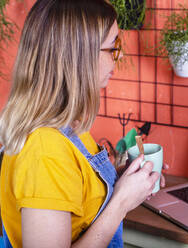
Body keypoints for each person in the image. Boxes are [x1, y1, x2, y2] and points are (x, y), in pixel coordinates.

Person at [0, 0, 165, 247]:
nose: (116, 59)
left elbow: (73, 191)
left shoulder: (67, 128)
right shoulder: (45, 151)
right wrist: (121, 202)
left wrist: (126, 183)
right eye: (113, 48)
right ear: (79, 58)